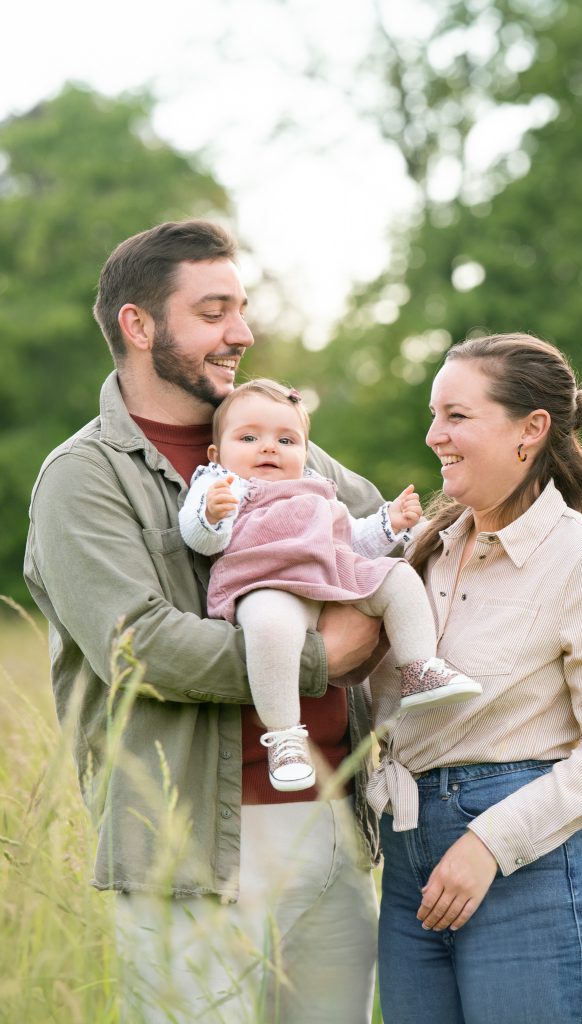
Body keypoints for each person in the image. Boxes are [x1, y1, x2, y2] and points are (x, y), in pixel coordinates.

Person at [24, 219, 388, 1024]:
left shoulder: (285, 442)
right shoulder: (83, 478)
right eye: (215, 311)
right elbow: (141, 646)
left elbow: (387, 546)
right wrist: (319, 659)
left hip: (331, 822)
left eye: (243, 309)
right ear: (139, 325)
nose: (243, 333)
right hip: (186, 851)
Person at [366, 333, 582, 1024]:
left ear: (530, 431)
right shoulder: (422, 551)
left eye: (456, 416)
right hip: (409, 869)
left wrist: (488, 845)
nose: (433, 435)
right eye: (433, 415)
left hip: (531, 873)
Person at [179, 377, 481, 792]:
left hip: (330, 575)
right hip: (266, 584)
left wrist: (389, 524)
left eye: (286, 440)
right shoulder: (222, 486)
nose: (269, 447)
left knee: (396, 577)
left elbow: (351, 537)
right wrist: (211, 514)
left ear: (304, 453)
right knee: (269, 631)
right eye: (249, 437)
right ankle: (285, 738)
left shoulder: (315, 488)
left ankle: (419, 668)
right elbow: (200, 537)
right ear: (217, 453)